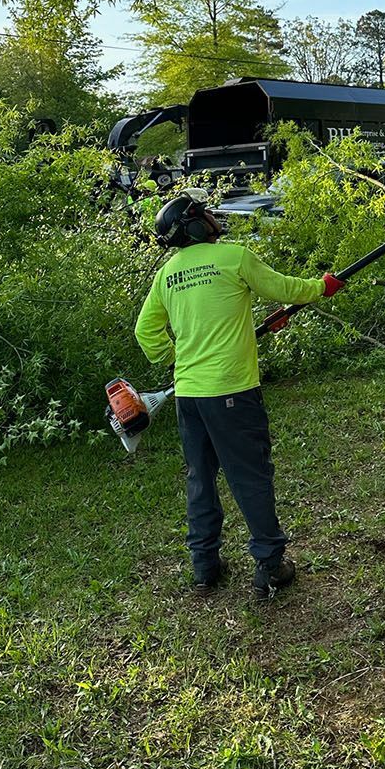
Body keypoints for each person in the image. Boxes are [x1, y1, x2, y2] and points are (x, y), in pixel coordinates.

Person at [134, 189, 344, 599]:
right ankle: (269, 566)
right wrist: (323, 286)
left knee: (201, 478)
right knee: (250, 476)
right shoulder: (234, 257)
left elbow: (146, 333)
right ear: (195, 224)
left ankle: (205, 568)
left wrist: (177, 356)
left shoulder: (168, 274)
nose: (212, 217)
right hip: (232, 391)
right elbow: (284, 288)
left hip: (190, 397)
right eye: (204, 213)